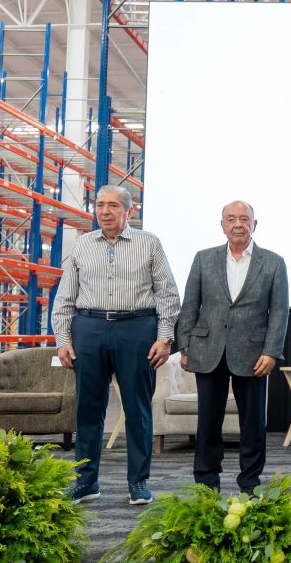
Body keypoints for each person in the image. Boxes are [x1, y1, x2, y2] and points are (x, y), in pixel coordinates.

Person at [52, 184, 181, 505]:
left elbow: (167, 294)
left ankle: (138, 481)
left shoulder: (149, 243)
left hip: (137, 329)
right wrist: (62, 340)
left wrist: (164, 338)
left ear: (129, 211)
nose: (105, 211)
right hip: (89, 328)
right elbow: (65, 296)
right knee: (87, 408)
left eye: (113, 205)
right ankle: (86, 482)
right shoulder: (82, 245)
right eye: (100, 205)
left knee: (137, 408)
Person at [176, 200, 289, 494]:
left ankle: (250, 484)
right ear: (222, 225)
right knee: (208, 422)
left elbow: (279, 312)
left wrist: (271, 351)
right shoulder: (203, 259)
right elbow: (190, 305)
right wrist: (185, 346)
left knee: (253, 424)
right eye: (231, 218)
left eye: (244, 218)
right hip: (207, 350)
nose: (238, 224)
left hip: (253, 355)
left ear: (254, 224)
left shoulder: (274, 262)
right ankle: (206, 484)